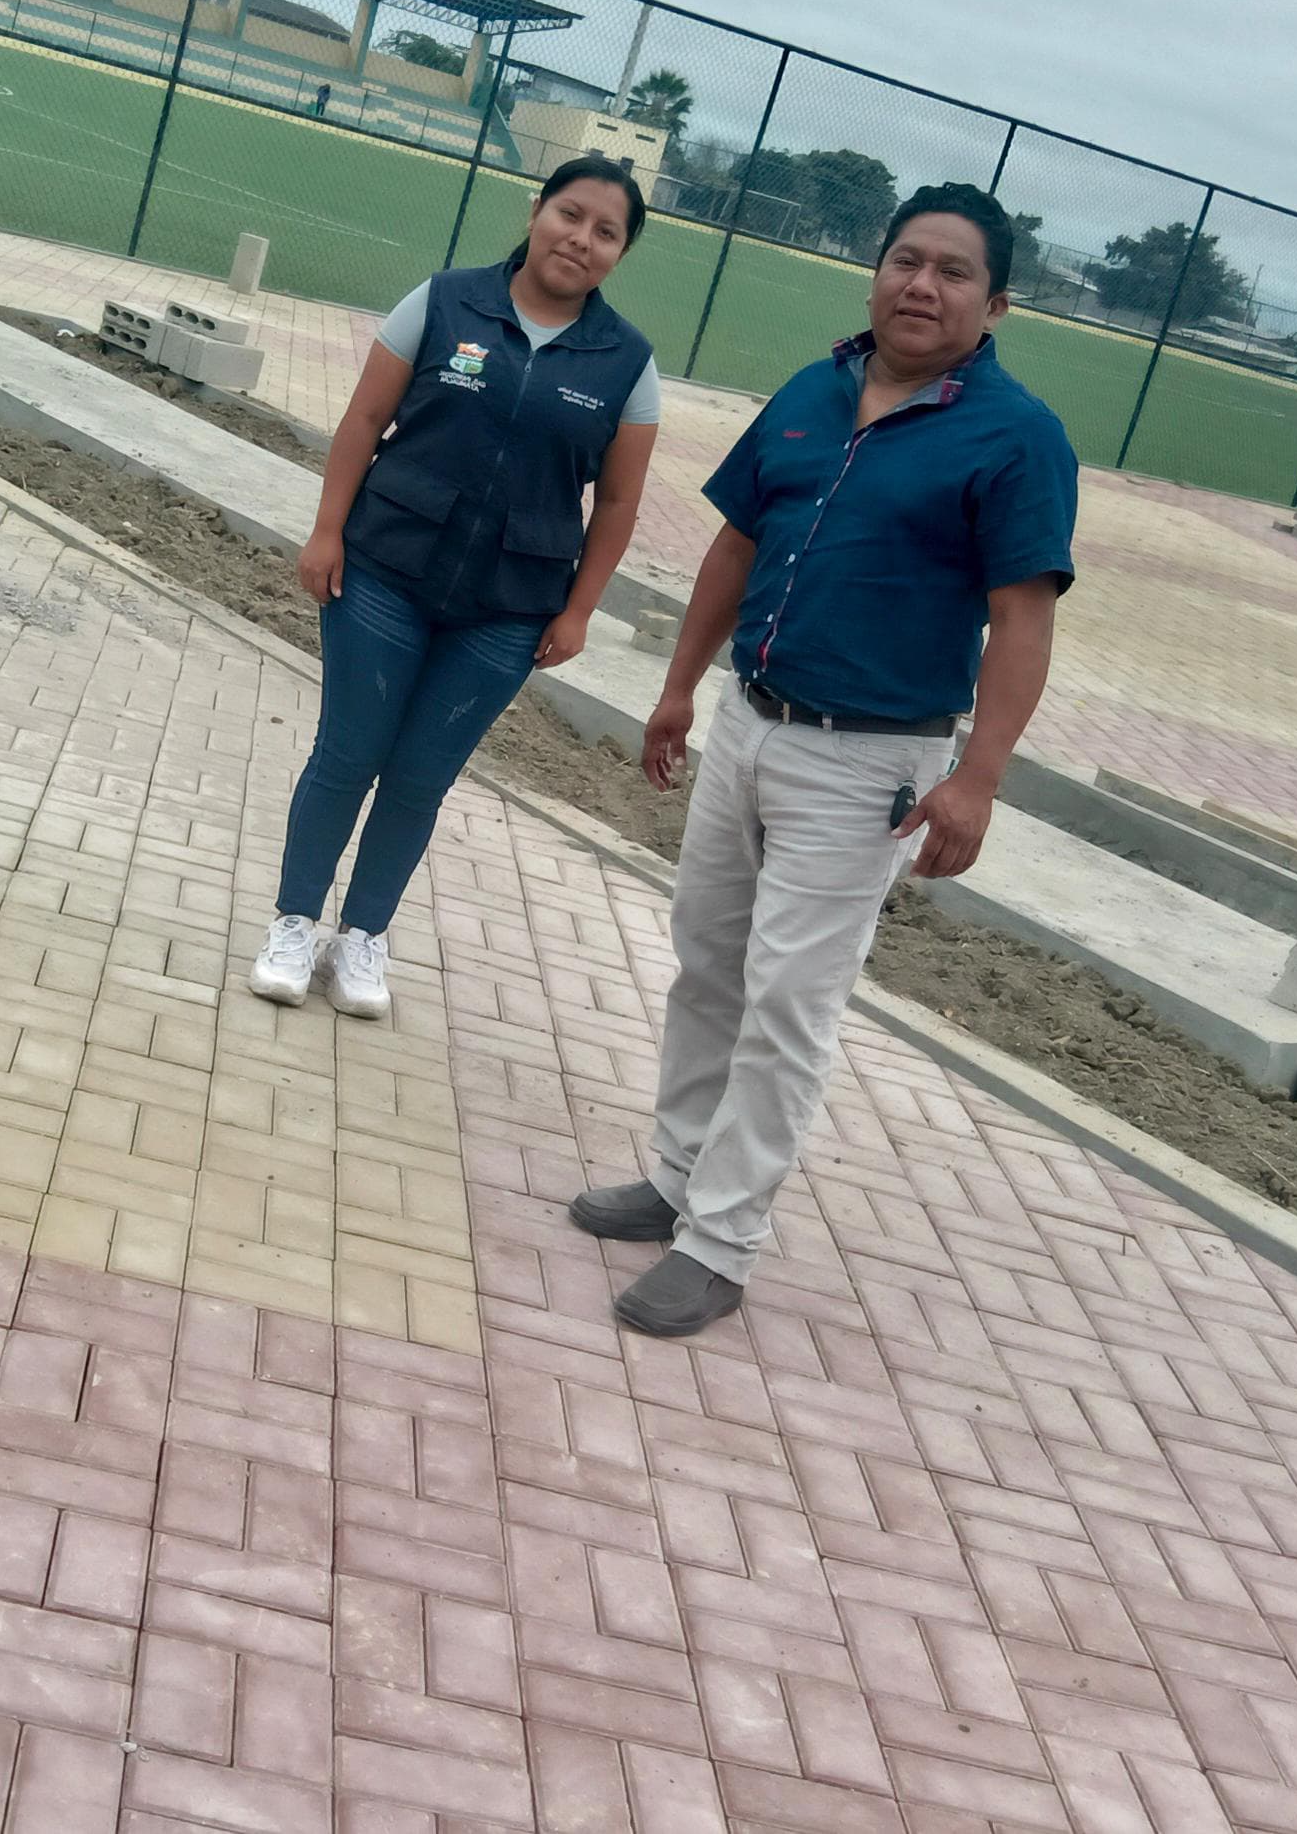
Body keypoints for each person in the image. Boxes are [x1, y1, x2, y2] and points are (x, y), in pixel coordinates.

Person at [573, 183, 1076, 1337]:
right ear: (875, 269)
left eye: (953, 271)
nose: (921, 285)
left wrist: (977, 778)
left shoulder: (1016, 438)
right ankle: (675, 1177)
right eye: (906, 260)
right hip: (748, 721)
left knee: (787, 1001)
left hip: (869, 763)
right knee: (707, 961)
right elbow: (734, 547)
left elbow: (1023, 619)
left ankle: (719, 1242)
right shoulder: (811, 390)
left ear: (995, 304)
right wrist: (676, 689)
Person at [252, 157, 663, 1018]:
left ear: (621, 253)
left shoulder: (627, 363)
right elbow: (365, 420)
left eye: (606, 232)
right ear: (536, 210)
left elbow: (620, 502)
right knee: (349, 754)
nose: (580, 240)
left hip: (509, 609)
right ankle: (293, 924)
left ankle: (363, 937)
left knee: (419, 776)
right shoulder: (443, 302)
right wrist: (327, 530)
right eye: (570, 214)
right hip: (384, 571)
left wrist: (580, 609)